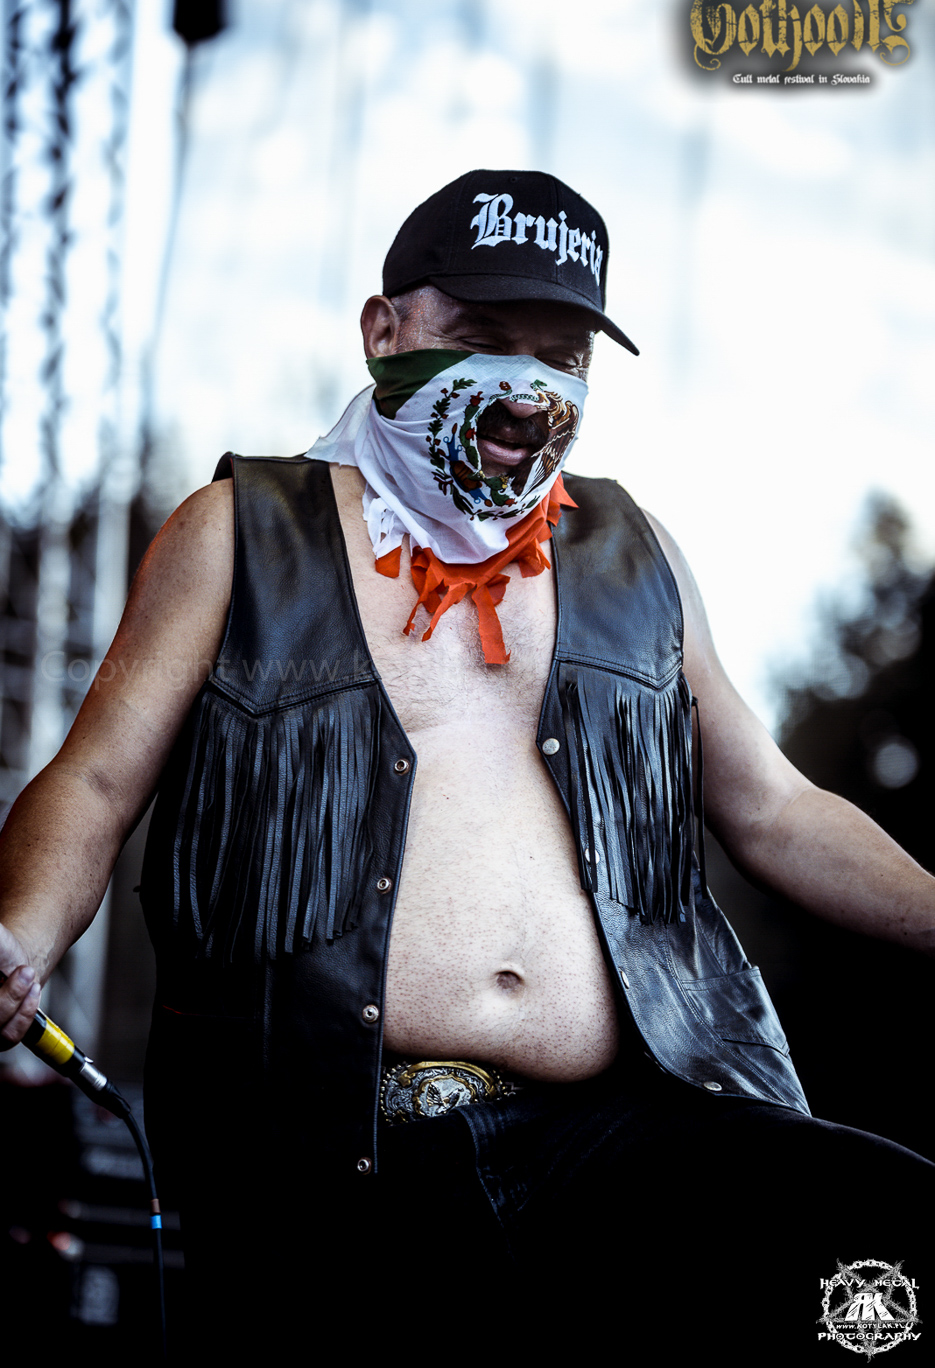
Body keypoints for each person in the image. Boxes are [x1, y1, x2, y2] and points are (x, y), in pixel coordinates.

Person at [2, 170, 933, 1358]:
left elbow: (776, 808)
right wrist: (18, 937)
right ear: (383, 331)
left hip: (620, 1138)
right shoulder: (241, 531)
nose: (525, 385)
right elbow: (93, 783)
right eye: (482, 336)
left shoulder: (633, 554)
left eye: (561, 356)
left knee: (887, 1241)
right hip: (339, 1163)